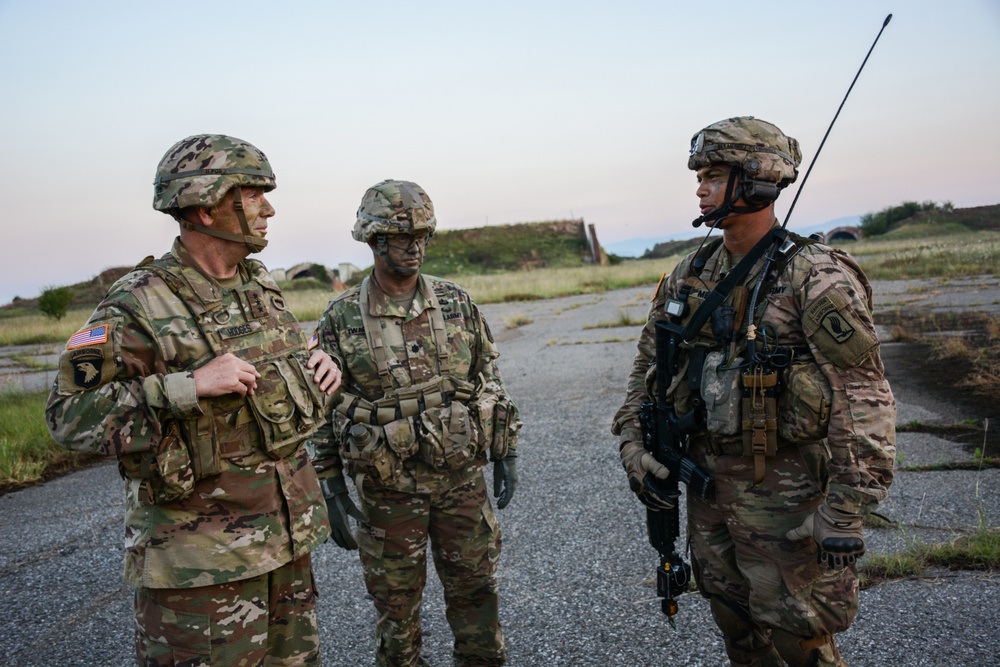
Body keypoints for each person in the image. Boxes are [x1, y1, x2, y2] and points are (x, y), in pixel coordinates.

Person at [46, 134, 341, 666]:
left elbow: (278, 369)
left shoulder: (259, 285)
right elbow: (67, 417)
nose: (268, 208)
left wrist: (317, 365)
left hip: (286, 549)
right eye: (252, 195)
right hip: (199, 570)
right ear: (206, 208)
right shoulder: (136, 303)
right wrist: (189, 385)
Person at [612, 117, 896, 667]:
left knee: (802, 639)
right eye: (700, 176)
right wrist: (633, 442)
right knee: (736, 631)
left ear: (758, 181)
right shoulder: (688, 273)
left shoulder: (814, 277)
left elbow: (863, 399)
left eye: (715, 175)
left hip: (786, 498)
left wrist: (847, 508)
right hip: (709, 490)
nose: (700, 187)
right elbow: (647, 366)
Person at [308, 179, 521, 667]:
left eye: (423, 236)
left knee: (477, 597)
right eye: (403, 237)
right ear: (375, 241)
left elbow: (489, 377)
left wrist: (507, 449)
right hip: (387, 493)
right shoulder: (340, 319)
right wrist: (331, 487)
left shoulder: (455, 301)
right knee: (396, 613)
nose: (416, 247)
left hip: (461, 483)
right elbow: (324, 406)